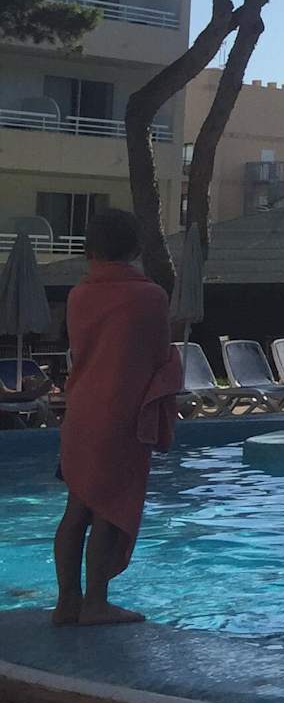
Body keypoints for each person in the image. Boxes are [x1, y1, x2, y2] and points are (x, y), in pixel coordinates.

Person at [53, 209, 179, 626]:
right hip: (121, 414)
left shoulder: (79, 296)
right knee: (109, 508)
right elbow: (159, 358)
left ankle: (66, 603)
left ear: (90, 248)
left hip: (80, 414)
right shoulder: (150, 297)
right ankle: (96, 603)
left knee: (77, 509)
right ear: (136, 248)